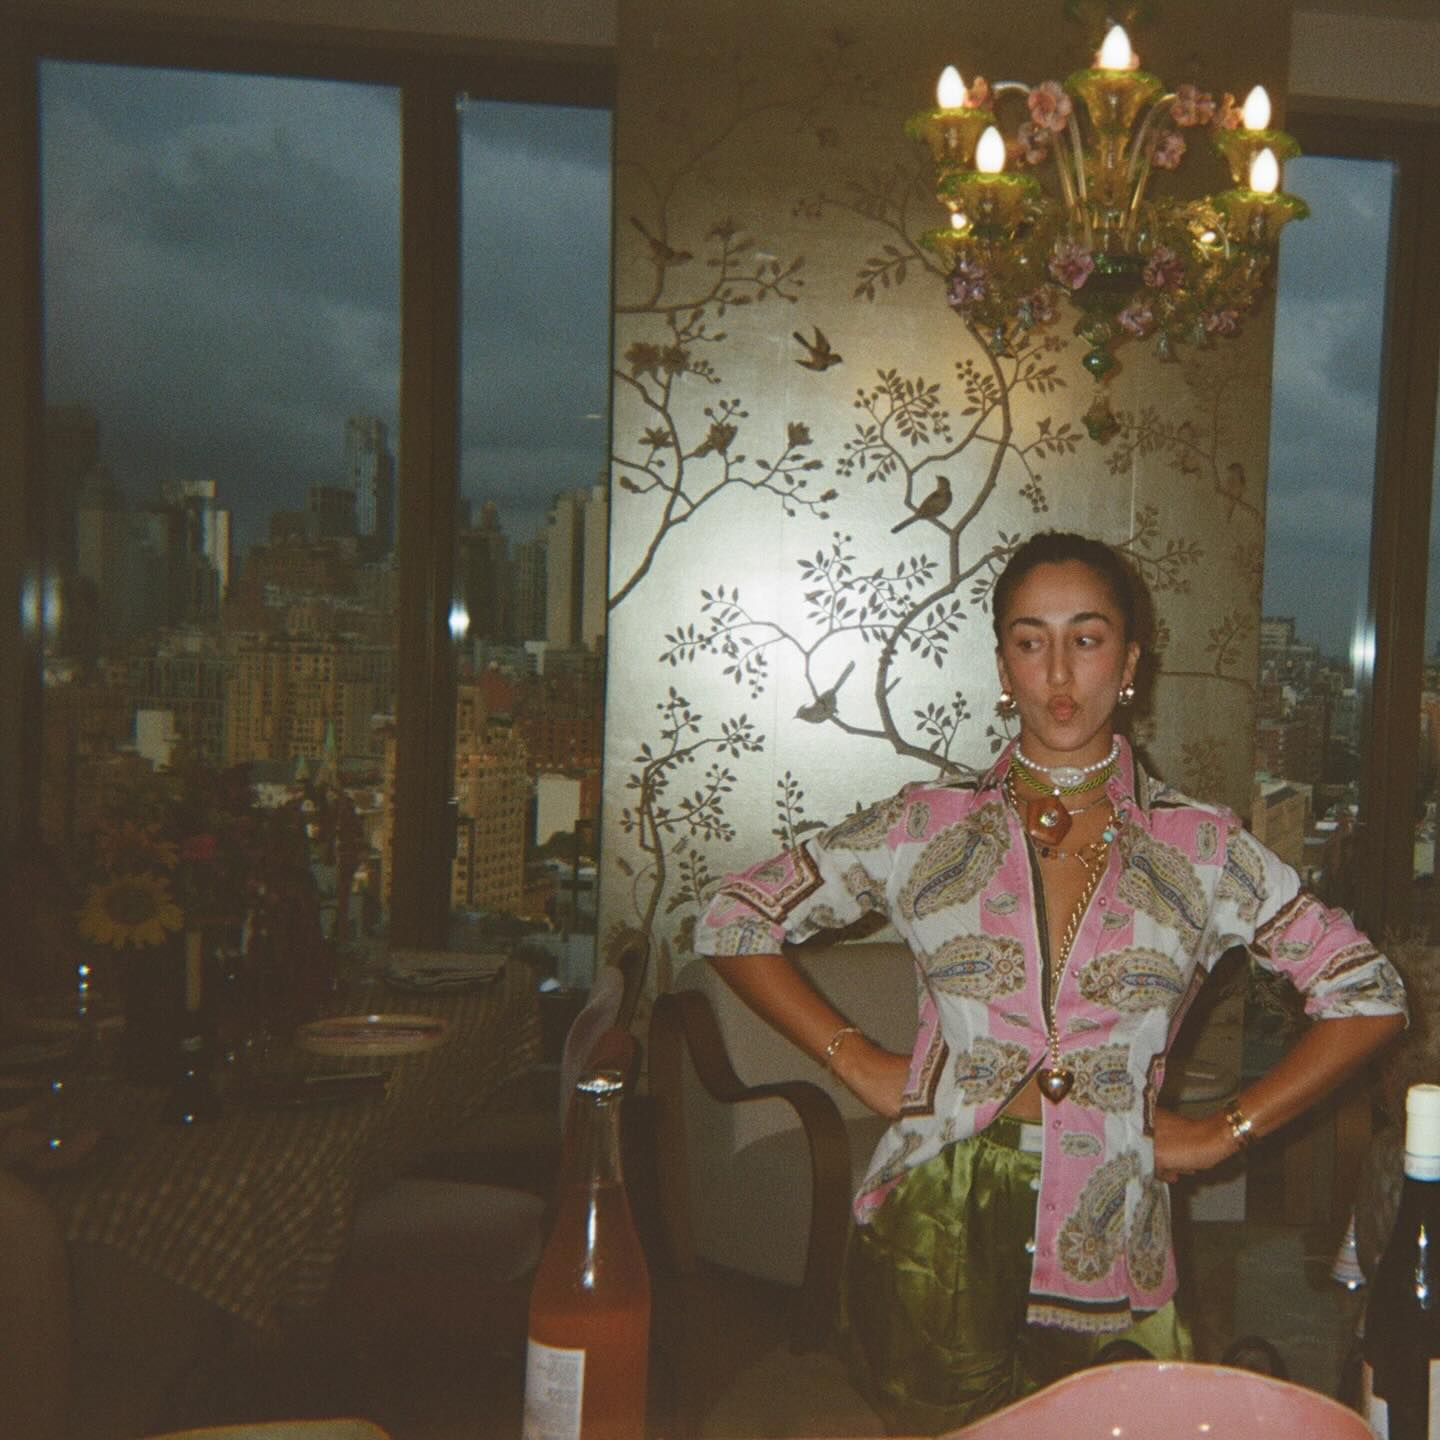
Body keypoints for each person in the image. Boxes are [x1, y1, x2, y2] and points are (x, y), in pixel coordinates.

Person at [693, 530, 1407, 1432]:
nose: (1060, 673)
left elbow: (1368, 994)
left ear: (1130, 661)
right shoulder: (927, 827)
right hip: (937, 1213)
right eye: (1031, 641)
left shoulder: (1200, 845)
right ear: (1004, 666)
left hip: (1115, 1214)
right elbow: (732, 918)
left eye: (1088, 638)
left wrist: (1224, 1131)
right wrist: (856, 1058)